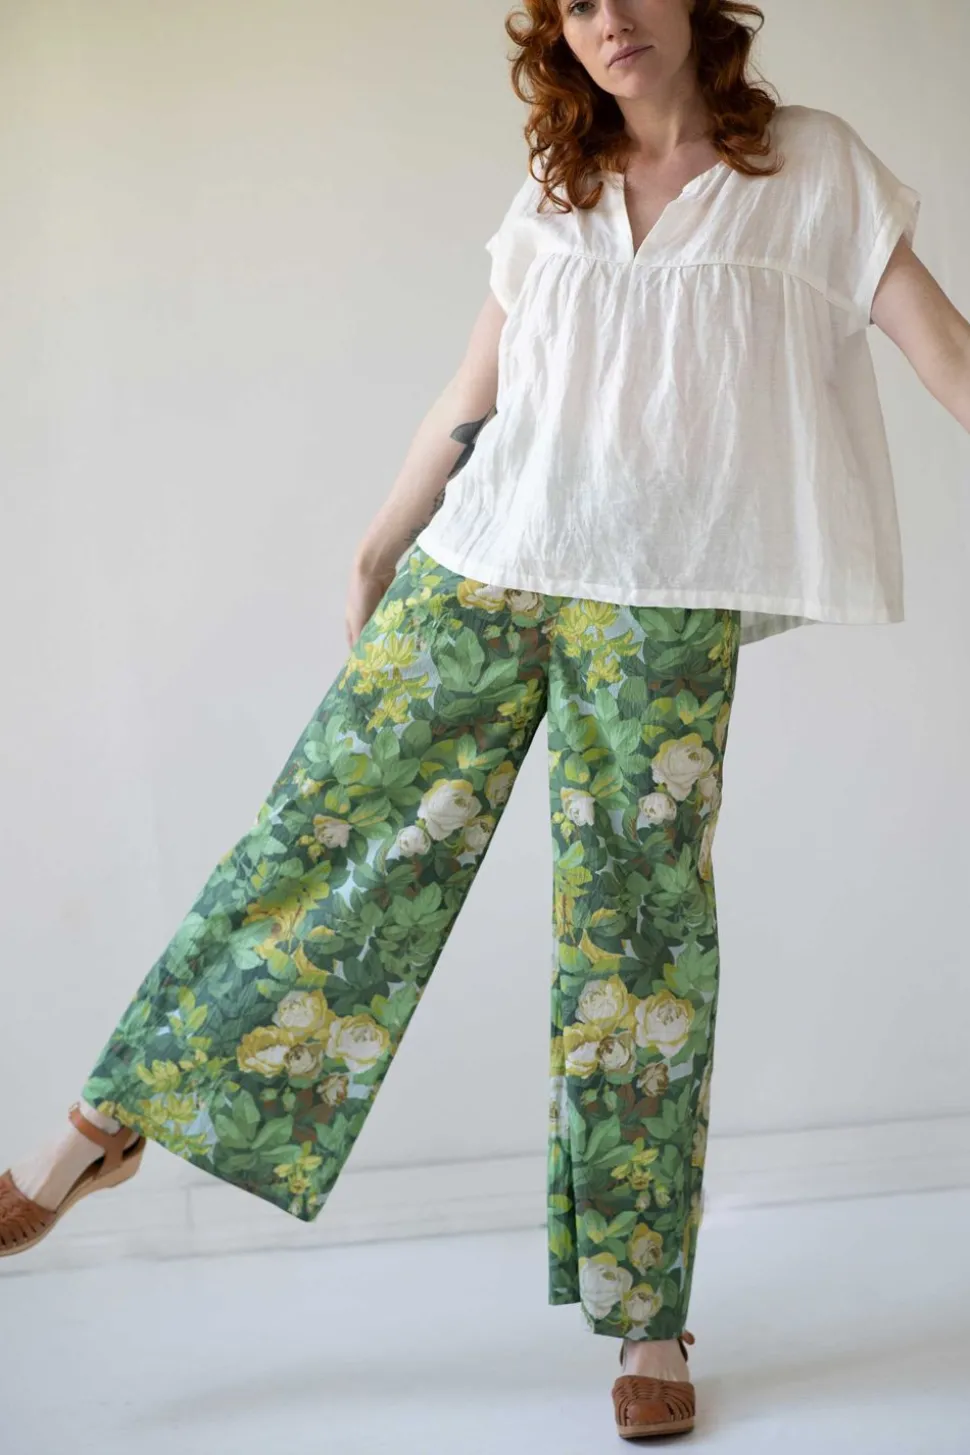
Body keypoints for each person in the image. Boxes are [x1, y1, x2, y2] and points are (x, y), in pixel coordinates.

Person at [2, 0, 968, 1441]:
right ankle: (100, 1125)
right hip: (487, 567)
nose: (605, 20)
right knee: (326, 837)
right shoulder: (556, 183)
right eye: (573, 4)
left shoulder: (812, 166)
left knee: (637, 935)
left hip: (662, 606)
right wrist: (378, 541)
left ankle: (649, 1315)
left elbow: (945, 350)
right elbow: (473, 392)